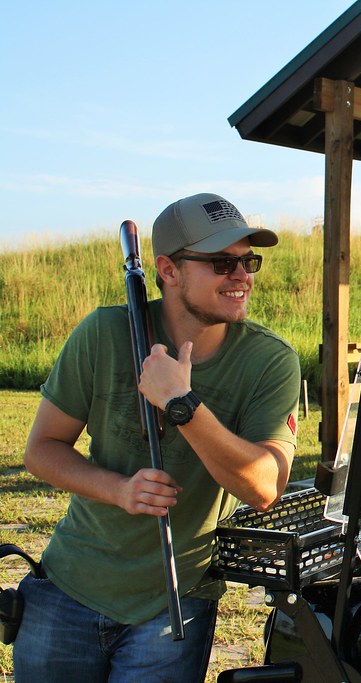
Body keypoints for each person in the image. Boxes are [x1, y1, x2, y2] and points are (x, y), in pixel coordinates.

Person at [14, 193, 301, 682]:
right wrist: (120, 490)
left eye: (248, 261)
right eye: (221, 262)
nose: (241, 276)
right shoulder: (104, 333)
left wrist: (182, 404)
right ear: (168, 270)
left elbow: (263, 486)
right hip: (68, 588)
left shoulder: (270, 361)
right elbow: (42, 450)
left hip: (175, 603)